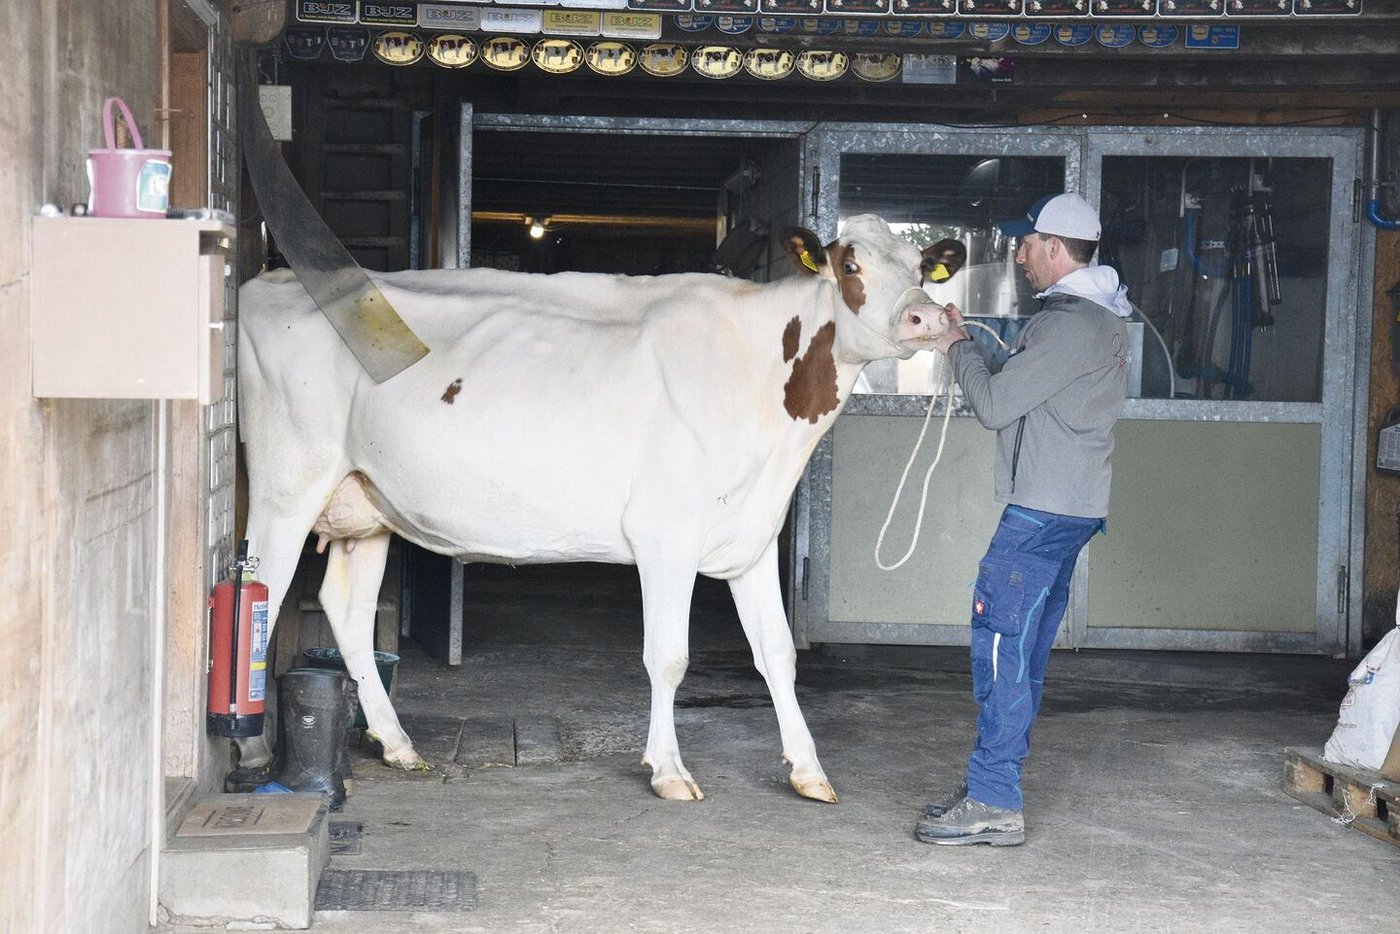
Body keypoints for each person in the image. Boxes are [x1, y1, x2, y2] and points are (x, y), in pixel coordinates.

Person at [914, 192, 1133, 847]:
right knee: (1025, 653)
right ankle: (993, 783)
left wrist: (955, 346)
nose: (1020, 253)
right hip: (1071, 510)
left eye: (1029, 243)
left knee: (1003, 649)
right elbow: (1028, 383)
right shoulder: (1091, 318)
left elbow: (995, 404)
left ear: (1058, 248)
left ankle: (994, 800)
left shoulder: (1070, 323)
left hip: (1041, 514)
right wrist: (969, 337)